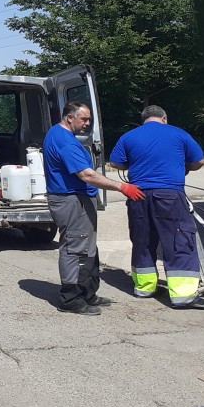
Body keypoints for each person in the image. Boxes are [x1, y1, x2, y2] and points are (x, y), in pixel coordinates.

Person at [44, 101, 144, 315]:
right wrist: (122, 186)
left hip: (76, 198)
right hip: (71, 200)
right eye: (84, 119)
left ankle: (87, 292)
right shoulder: (65, 142)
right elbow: (86, 174)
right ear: (70, 117)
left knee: (87, 246)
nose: (88, 123)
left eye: (89, 119)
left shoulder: (58, 133)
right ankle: (70, 297)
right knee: (75, 247)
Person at [109, 105, 204, 310]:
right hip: (170, 195)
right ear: (164, 118)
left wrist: (137, 162)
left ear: (143, 119)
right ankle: (183, 296)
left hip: (138, 194)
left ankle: (145, 287)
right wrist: (183, 165)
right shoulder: (178, 133)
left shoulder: (129, 136)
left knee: (142, 240)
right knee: (178, 241)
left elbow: (115, 163)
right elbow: (199, 161)